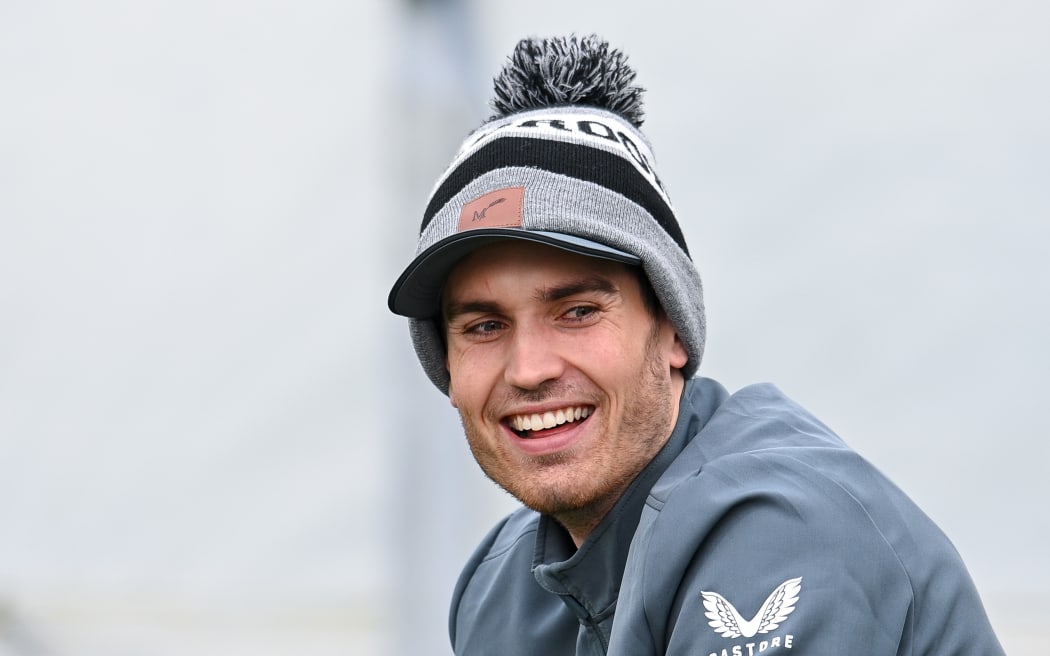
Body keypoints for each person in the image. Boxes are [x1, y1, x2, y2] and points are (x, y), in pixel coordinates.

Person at [387, 34, 1004, 656]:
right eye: (484, 326)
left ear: (673, 329)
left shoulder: (782, 529)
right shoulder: (500, 584)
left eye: (577, 311)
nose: (529, 369)